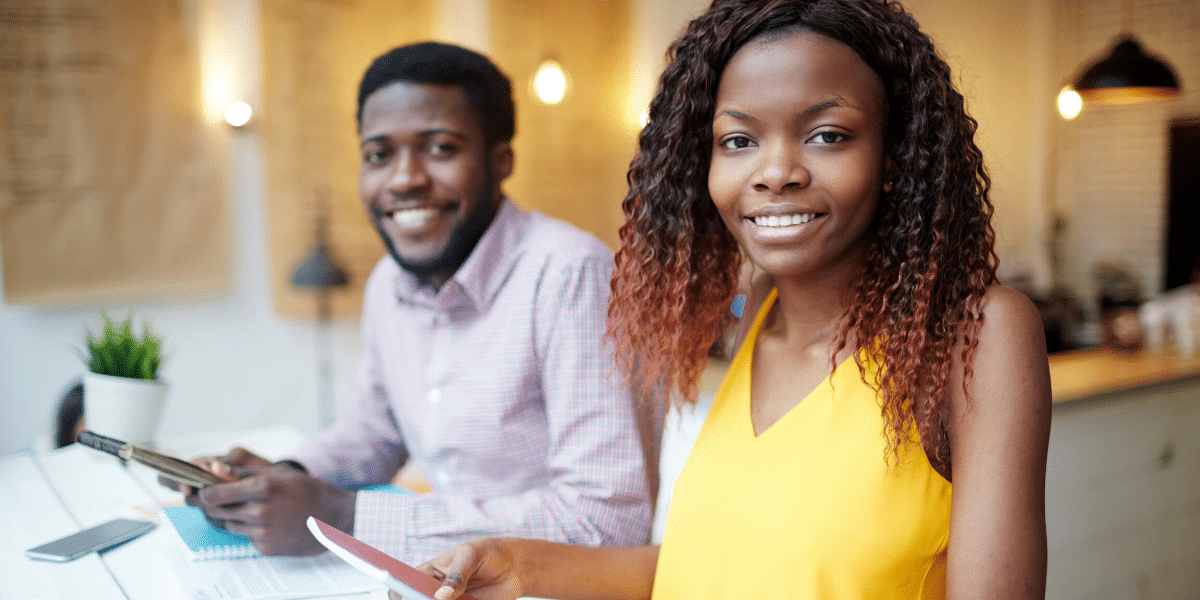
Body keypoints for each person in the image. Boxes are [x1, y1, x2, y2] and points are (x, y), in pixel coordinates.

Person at [410, 1, 1052, 598]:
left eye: (827, 135)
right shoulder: (762, 312)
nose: (775, 171)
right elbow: (708, 569)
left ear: (894, 155)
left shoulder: (978, 334)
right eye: (738, 141)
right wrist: (513, 561)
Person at [168, 42, 655, 563]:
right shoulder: (387, 284)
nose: (404, 179)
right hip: (449, 575)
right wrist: (286, 475)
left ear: (501, 160)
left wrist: (345, 517)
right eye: (379, 154)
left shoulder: (570, 275)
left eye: (441, 148)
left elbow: (607, 519)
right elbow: (375, 433)